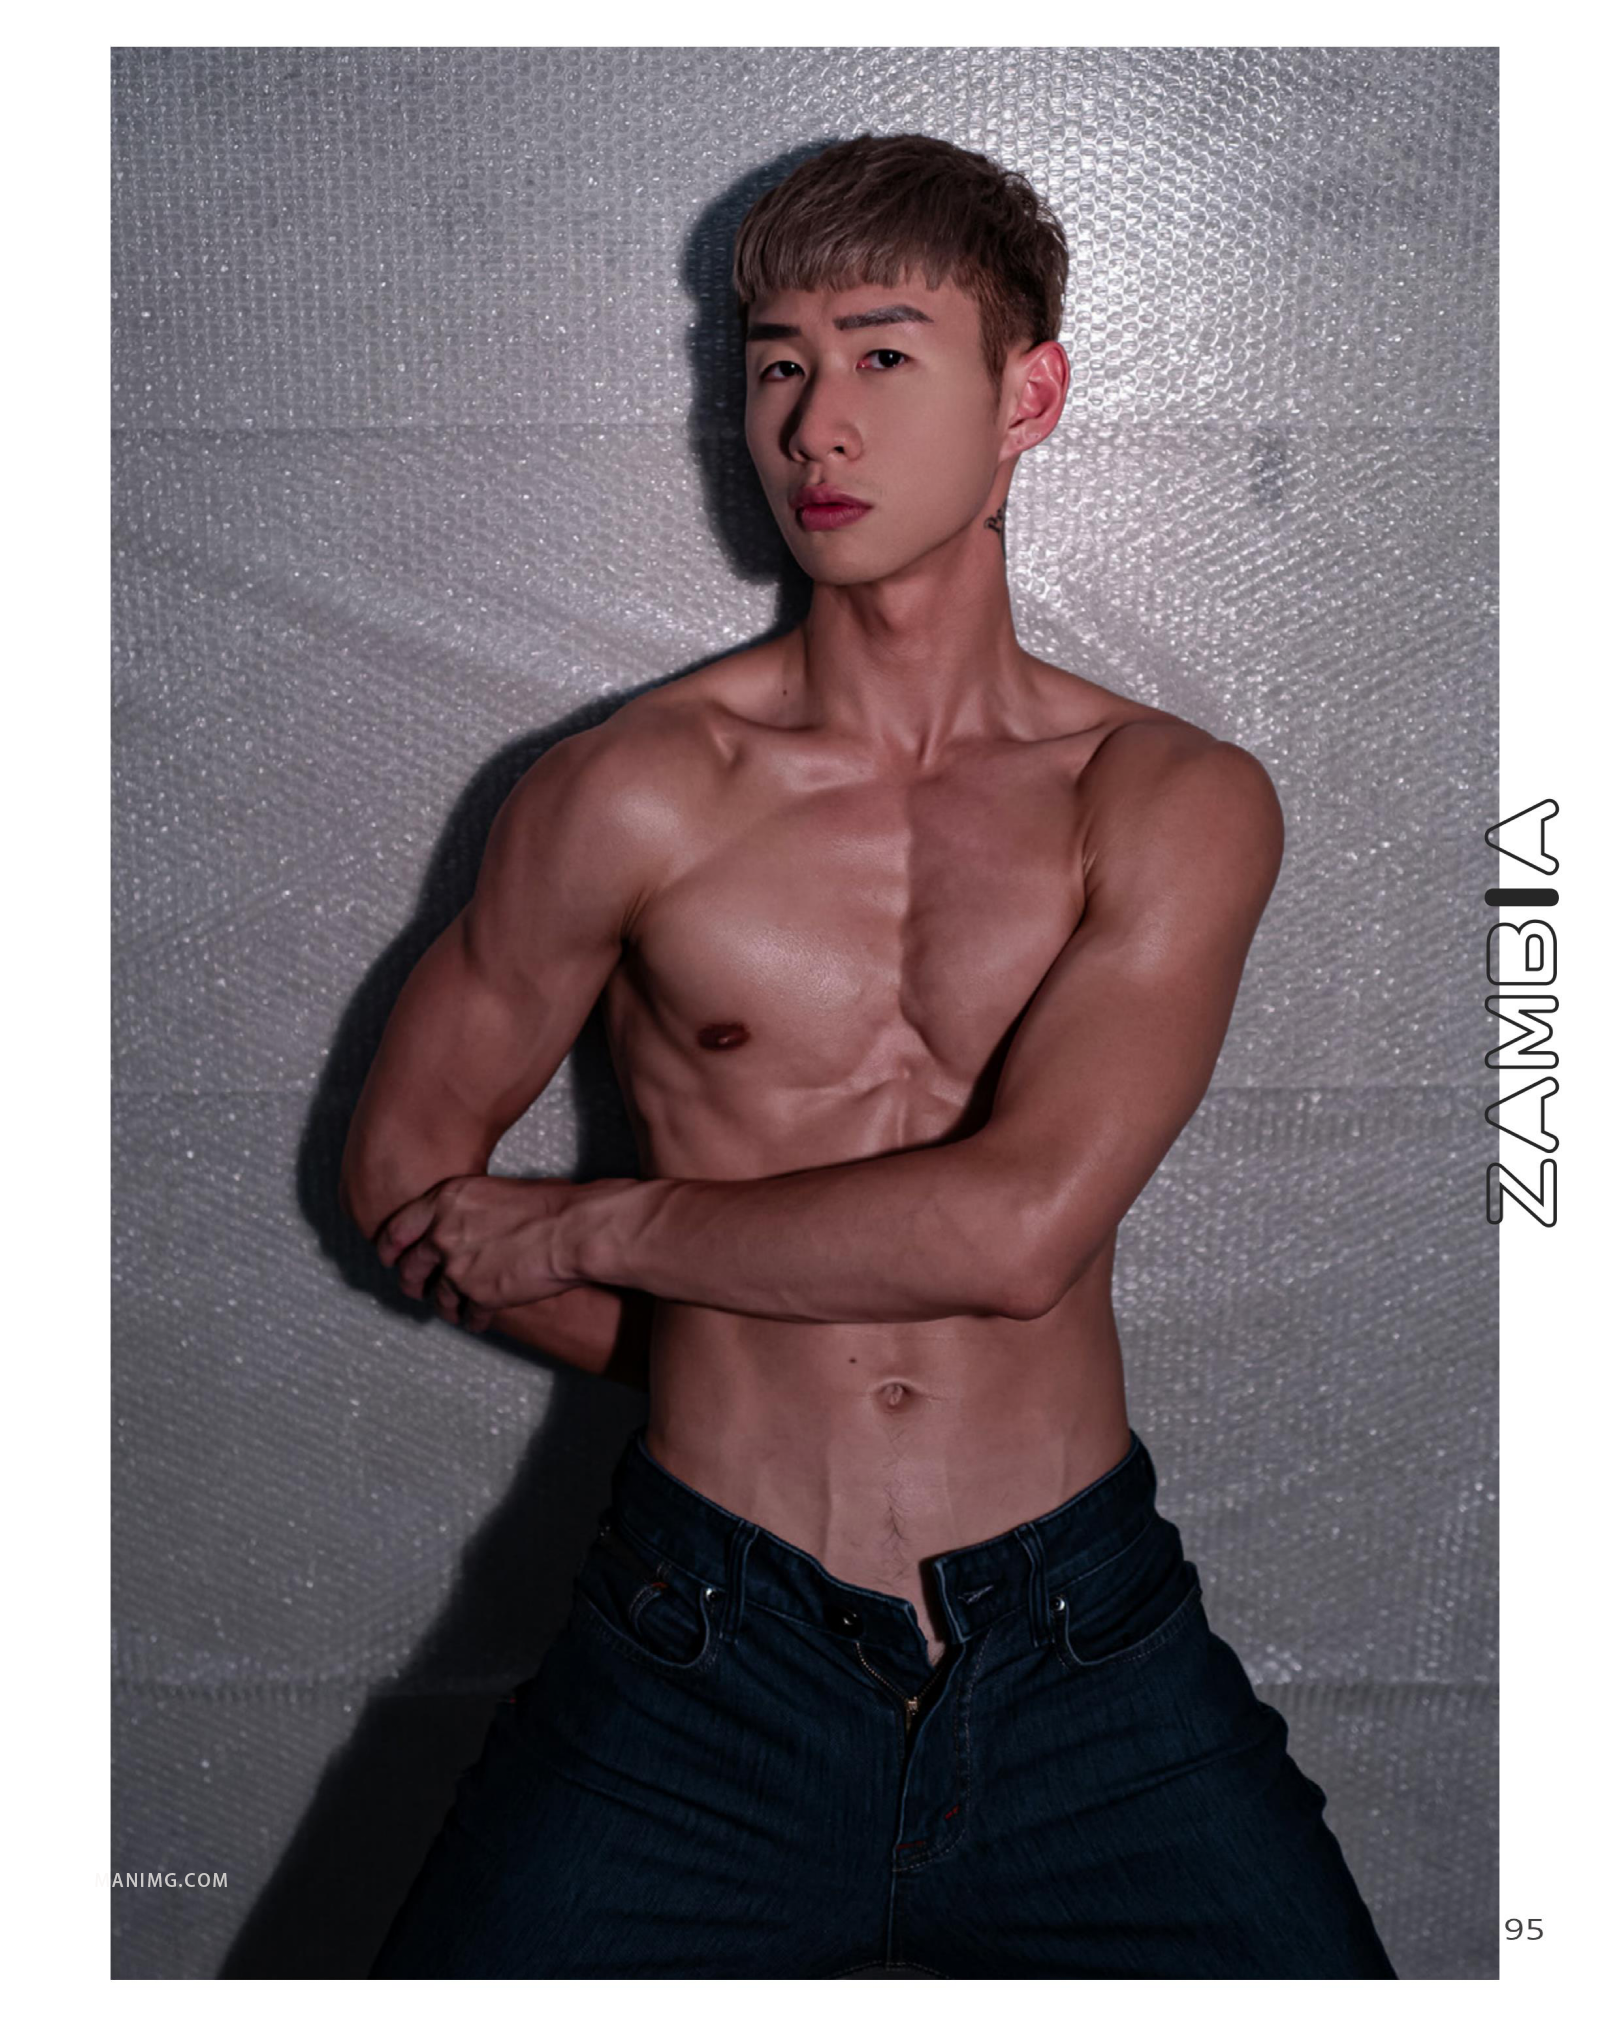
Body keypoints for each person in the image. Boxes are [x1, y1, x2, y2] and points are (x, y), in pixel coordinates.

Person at [344, 133, 1396, 1979]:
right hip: (695, 1639)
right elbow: (406, 1181)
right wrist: (737, 1369)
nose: (813, 425)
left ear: (1027, 397)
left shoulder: (1166, 797)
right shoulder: (627, 791)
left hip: (1078, 1650)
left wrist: (589, 1227)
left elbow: (1013, 1231)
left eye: (884, 355)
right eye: (776, 363)